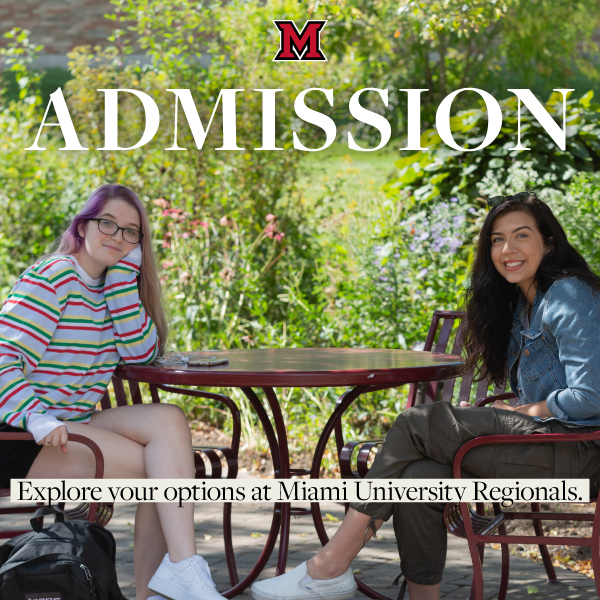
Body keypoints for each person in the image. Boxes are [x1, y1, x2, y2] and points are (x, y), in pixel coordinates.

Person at [250, 191, 600, 600]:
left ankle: (330, 564)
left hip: (578, 452)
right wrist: (502, 414)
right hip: (539, 444)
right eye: (496, 240)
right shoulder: (521, 305)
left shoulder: (568, 294)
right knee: (417, 480)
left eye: (521, 236)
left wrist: (525, 409)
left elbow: (591, 396)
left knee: (418, 421)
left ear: (550, 242)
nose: (507, 249)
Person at [0, 184, 225, 600]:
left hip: (71, 422)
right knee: (167, 474)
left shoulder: (112, 286)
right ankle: (165, 588)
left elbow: (141, 353)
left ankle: (180, 572)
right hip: (20, 434)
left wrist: (122, 280)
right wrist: (36, 416)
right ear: (83, 227)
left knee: (168, 420)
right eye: (108, 224)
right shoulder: (54, 277)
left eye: (130, 232)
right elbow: (3, 356)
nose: (117, 237)